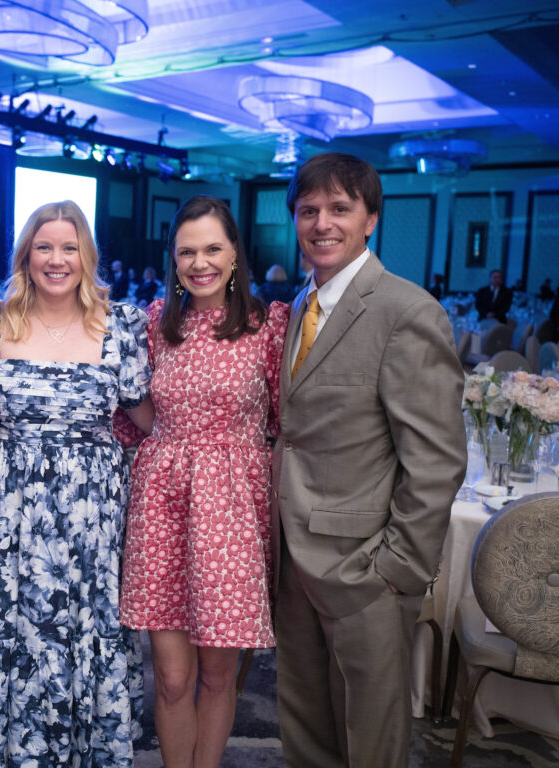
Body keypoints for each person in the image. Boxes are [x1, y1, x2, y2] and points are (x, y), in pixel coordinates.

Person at [273, 153, 466, 767]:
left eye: (339, 208)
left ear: (370, 220)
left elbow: (435, 461)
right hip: (293, 559)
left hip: (365, 573)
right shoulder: (299, 304)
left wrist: (397, 570)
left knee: (371, 743)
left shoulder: (406, 312)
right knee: (305, 730)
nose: (322, 223)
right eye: (309, 210)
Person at [0, 200, 154, 767]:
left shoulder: (121, 327)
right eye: (44, 246)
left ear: (87, 256)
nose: (57, 259)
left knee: (85, 632)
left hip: (91, 514)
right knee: (9, 630)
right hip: (7, 509)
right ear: (27, 254)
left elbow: (151, 422)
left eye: (69, 247)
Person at [119, 196, 288, 768]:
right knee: (170, 676)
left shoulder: (267, 327)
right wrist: (172, 441)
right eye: (187, 251)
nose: (200, 263)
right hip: (162, 505)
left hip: (232, 511)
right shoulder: (153, 325)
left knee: (217, 673)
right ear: (173, 258)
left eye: (213, 248)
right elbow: (135, 410)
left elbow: (283, 420)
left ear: (236, 253)